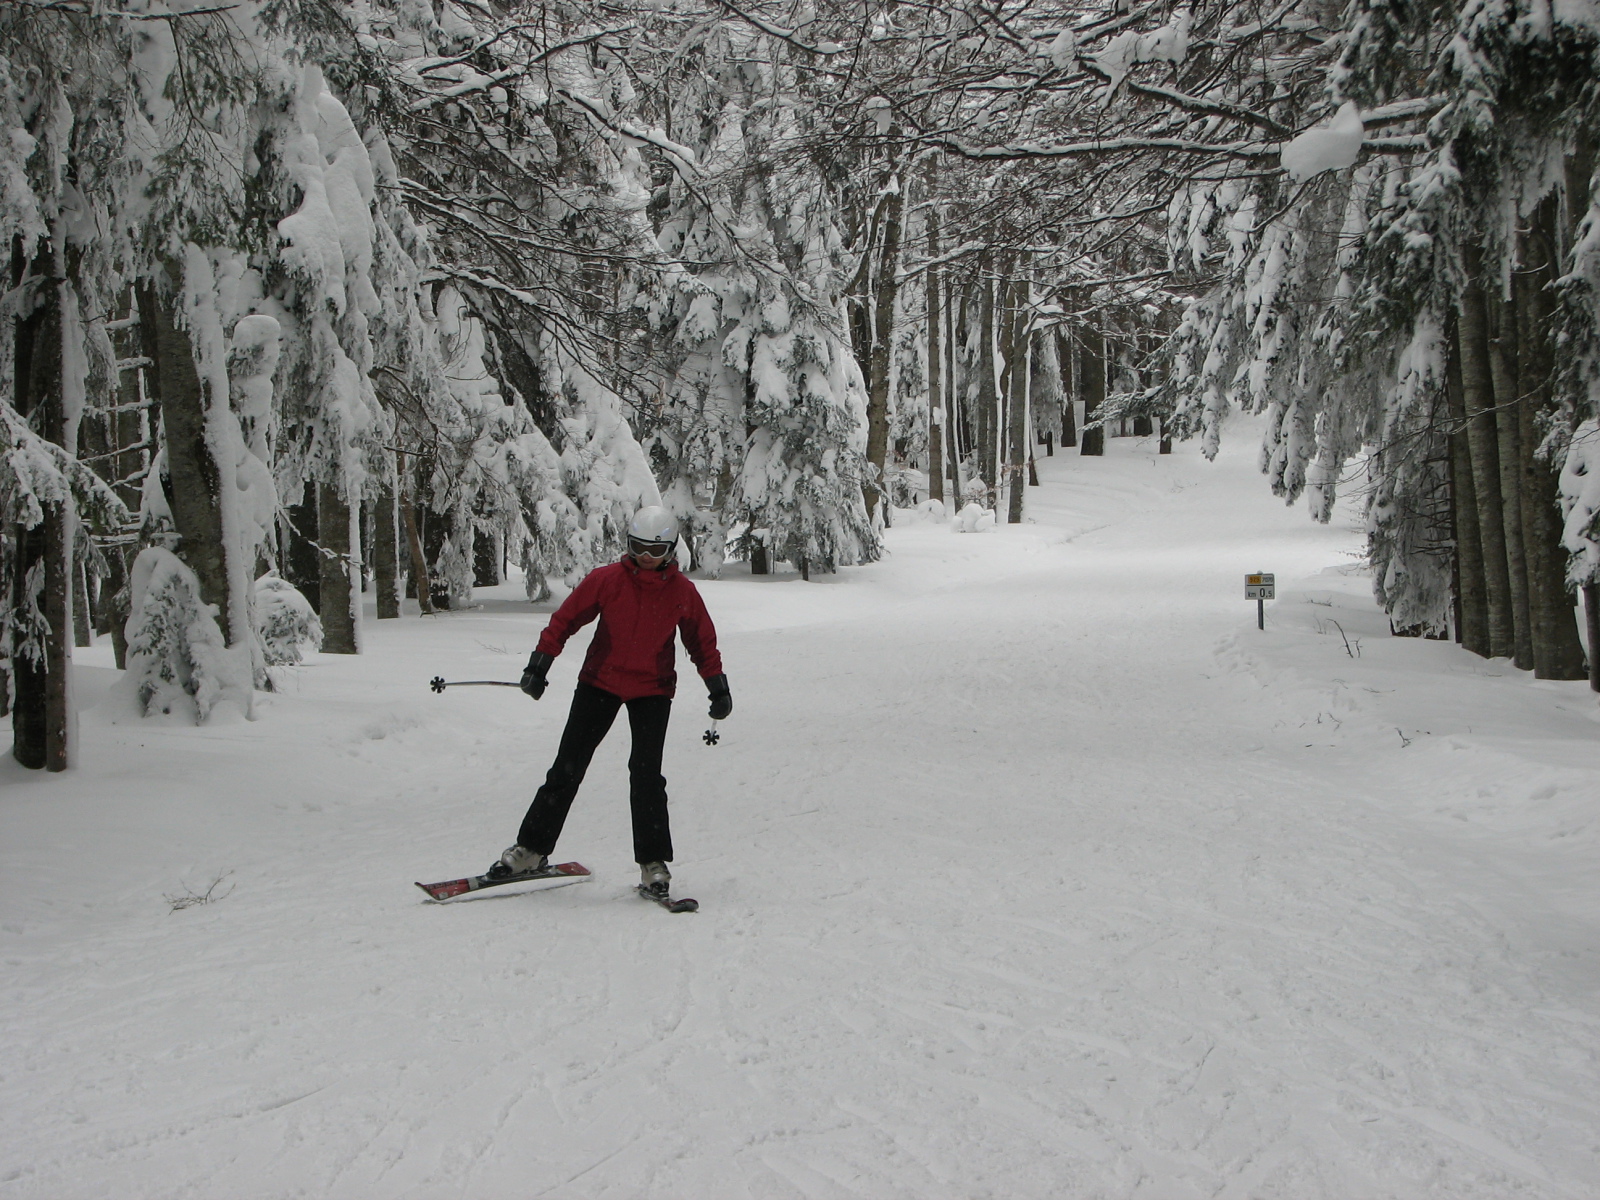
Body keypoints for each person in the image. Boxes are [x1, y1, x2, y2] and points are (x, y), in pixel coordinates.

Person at [488, 506, 732, 898]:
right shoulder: (607, 581)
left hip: (652, 690)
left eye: (655, 551)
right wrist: (539, 665)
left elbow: (702, 642)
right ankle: (532, 849)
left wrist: (717, 688)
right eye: (638, 548)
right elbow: (564, 620)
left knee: (647, 777)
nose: (646, 559)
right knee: (566, 769)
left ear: (671, 550)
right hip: (599, 684)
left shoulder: (682, 592)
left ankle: (652, 863)